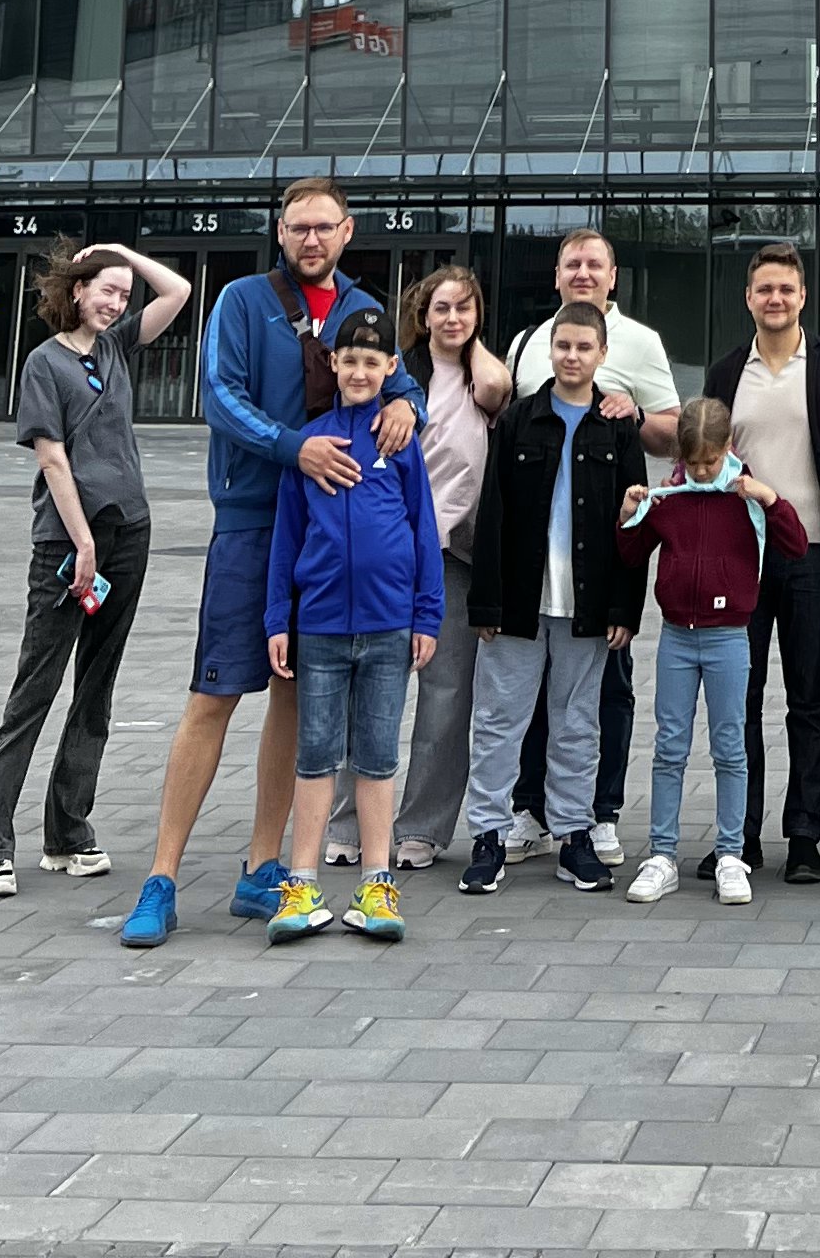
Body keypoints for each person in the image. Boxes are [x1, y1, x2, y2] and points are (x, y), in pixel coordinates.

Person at [119, 177, 419, 949]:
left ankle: (262, 868)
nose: (310, 239)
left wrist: (405, 405)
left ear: (348, 232)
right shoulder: (242, 301)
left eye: (324, 226)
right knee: (214, 694)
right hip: (254, 523)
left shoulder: (362, 305)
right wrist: (295, 449)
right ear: (279, 233)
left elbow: (401, 380)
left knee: (294, 700)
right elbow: (220, 396)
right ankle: (162, 877)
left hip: (323, 538)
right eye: (297, 227)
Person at [0, 238, 191, 897]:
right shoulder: (45, 363)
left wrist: (122, 252)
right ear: (76, 291)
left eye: (123, 294)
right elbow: (52, 459)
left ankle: (67, 834)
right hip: (65, 546)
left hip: (129, 532)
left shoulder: (116, 348)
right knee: (34, 691)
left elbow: (177, 292)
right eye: (105, 290)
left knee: (96, 688)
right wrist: (83, 543)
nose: (116, 303)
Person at [704, 243, 820, 884]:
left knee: (808, 698)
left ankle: (804, 836)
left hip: (812, 554)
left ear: (803, 297)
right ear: (748, 298)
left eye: (786, 289)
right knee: (741, 698)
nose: (775, 299)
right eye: (765, 289)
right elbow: (706, 461)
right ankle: (741, 835)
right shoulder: (727, 372)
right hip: (742, 558)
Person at [260, 305, 444, 944]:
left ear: (391, 368)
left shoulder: (400, 440)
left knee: (377, 754)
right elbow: (286, 538)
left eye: (372, 361)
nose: (359, 371)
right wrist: (277, 618)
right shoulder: (311, 443)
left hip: (390, 625)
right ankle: (301, 883)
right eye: (349, 361)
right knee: (315, 754)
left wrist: (427, 614)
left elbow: (423, 529)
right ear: (332, 364)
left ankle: (376, 882)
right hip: (320, 628)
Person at [456, 303, 649, 896]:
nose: (572, 356)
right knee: (498, 721)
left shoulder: (617, 428)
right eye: (563, 345)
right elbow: (492, 513)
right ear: (550, 349)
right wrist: (485, 603)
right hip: (518, 602)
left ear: (602, 354)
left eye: (584, 347)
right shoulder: (518, 420)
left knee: (577, 724)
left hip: (587, 607)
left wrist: (625, 609)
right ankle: (488, 836)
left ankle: (573, 835)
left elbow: (635, 525)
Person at [501, 230, 680, 866]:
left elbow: (672, 432)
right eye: (572, 263)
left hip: (601, 551)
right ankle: (529, 808)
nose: (583, 273)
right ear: (556, 275)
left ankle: (599, 813)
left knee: (607, 688)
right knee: (531, 689)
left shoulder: (642, 341)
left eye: (594, 264)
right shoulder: (528, 342)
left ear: (613, 276)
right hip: (535, 550)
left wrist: (635, 413)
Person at [613, 396, 805, 906]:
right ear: (680, 456)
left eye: (710, 462)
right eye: (693, 462)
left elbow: (796, 545)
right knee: (669, 747)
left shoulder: (745, 496)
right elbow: (630, 554)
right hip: (676, 637)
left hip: (728, 637)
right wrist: (629, 514)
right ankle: (662, 856)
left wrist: (770, 499)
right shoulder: (670, 496)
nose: (701, 472)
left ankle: (730, 854)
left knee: (730, 748)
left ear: (729, 448)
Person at [385, 261, 512, 873]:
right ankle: (349, 821)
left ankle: (422, 828)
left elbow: (496, 386)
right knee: (373, 690)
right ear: (423, 313)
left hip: (455, 556)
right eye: (442, 307)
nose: (453, 317)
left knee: (446, 698)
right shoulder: (397, 372)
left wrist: (470, 344)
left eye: (465, 307)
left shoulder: (480, 380)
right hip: (389, 551)